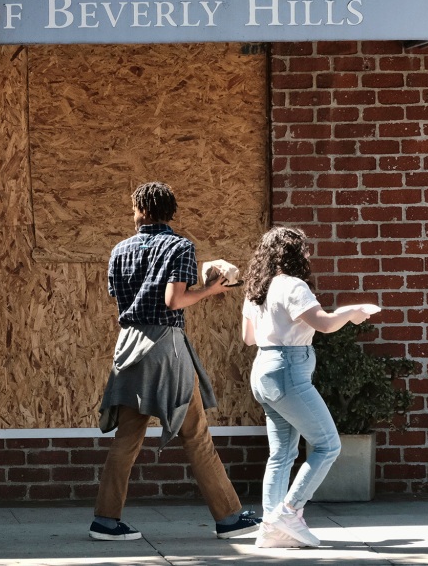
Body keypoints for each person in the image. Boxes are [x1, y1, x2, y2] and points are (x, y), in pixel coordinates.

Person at [91, 182, 260, 542]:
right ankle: (230, 518)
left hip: (129, 345)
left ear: (140, 210)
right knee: (196, 435)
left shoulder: (120, 249)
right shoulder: (180, 246)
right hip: (165, 347)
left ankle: (105, 521)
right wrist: (212, 290)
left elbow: (118, 296)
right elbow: (173, 300)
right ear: (170, 211)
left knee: (127, 437)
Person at [242, 226, 375, 548]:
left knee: (281, 455)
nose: (308, 255)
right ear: (292, 254)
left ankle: (271, 530)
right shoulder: (293, 285)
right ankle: (289, 512)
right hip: (288, 370)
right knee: (328, 445)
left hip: (263, 369)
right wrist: (352, 313)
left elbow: (248, 338)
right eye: (304, 249)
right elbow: (326, 324)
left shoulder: (256, 289)